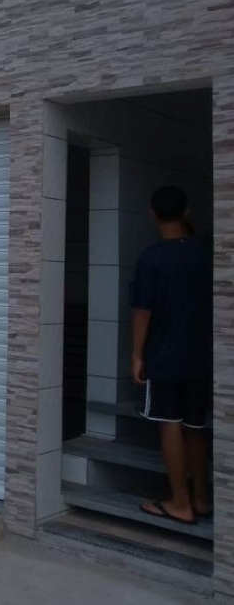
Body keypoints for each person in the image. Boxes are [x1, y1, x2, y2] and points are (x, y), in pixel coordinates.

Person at [130, 186, 213, 525]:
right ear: (187, 211)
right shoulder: (206, 253)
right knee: (195, 427)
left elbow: (143, 313)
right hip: (202, 356)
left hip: (165, 356)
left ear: (152, 213)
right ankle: (201, 498)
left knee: (170, 425)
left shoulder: (151, 259)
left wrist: (137, 355)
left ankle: (180, 502)